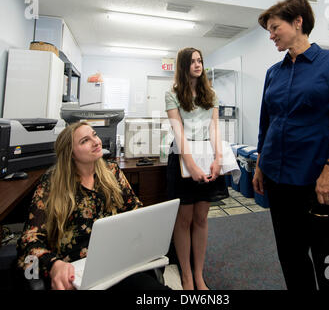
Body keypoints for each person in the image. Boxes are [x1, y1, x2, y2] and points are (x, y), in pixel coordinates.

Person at [253, 0, 329, 290]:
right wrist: (260, 165)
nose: (271, 35)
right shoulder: (273, 73)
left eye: (275, 28)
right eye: (269, 31)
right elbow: (268, 123)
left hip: (320, 181)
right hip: (279, 182)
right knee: (291, 258)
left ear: (298, 22)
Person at [17, 122, 170, 290]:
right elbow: (29, 239)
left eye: (95, 135)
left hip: (117, 262)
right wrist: (54, 265)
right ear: (71, 154)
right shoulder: (52, 183)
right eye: (85, 141)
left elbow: (136, 211)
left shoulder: (112, 171)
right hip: (77, 273)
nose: (96, 142)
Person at [165, 47, 229, 290]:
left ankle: (199, 274)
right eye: (192, 61)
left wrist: (218, 158)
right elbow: (178, 130)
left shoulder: (210, 93)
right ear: (183, 66)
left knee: (201, 218)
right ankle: (186, 276)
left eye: (200, 60)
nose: (197, 64)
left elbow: (214, 127)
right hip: (183, 158)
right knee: (184, 219)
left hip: (207, 156)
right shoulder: (172, 93)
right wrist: (190, 164)